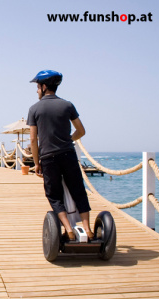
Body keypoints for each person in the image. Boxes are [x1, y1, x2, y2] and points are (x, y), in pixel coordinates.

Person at [27, 70, 94, 241]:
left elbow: (33, 139)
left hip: (49, 158)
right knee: (78, 190)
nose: (36, 91)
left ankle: (69, 229)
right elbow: (81, 131)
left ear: (43, 87)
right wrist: (68, 140)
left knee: (54, 195)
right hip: (68, 154)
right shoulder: (67, 105)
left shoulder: (34, 109)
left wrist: (36, 163)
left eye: (37, 87)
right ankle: (87, 229)